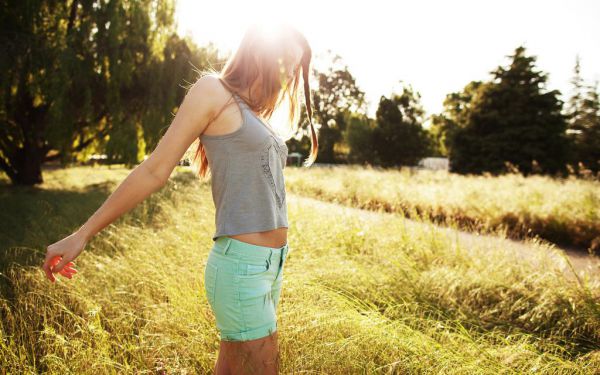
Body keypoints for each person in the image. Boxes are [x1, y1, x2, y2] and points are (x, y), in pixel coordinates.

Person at [41, 23, 318, 374]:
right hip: (242, 268)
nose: (288, 73)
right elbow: (155, 171)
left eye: (294, 67)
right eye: (285, 61)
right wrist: (83, 233)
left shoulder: (254, 113)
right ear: (258, 49)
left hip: (270, 265)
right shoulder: (213, 90)